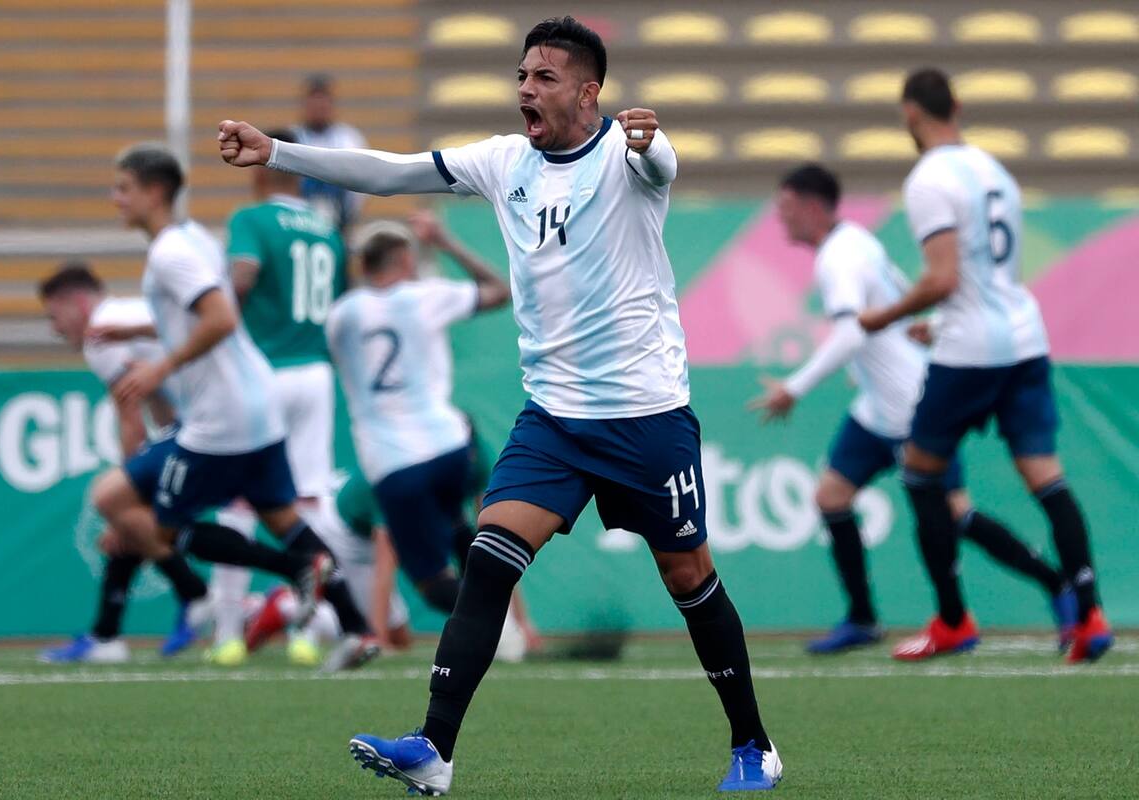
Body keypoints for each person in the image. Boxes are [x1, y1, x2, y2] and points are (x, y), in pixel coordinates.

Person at [219, 15, 780, 794]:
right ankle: (434, 749)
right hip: (552, 420)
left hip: (645, 416)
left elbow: (661, 165)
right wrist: (279, 152)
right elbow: (389, 172)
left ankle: (753, 744)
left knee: (688, 576)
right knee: (487, 560)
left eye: (544, 77)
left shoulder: (627, 155)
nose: (525, 88)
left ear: (587, 93)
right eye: (521, 75)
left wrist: (652, 144)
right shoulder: (503, 160)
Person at [749, 164, 1077, 655]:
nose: (780, 218)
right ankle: (863, 619)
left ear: (812, 207)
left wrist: (793, 388)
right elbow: (897, 302)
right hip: (877, 406)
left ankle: (1055, 586)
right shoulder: (857, 241)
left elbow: (852, 333)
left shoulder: (838, 257)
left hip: (909, 404)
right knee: (831, 496)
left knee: (955, 514)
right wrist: (884, 357)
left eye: (786, 207)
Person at [856, 68, 1113, 663]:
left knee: (921, 473)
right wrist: (939, 322)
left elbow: (943, 279)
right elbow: (988, 279)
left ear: (911, 114)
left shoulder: (928, 178)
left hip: (971, 352)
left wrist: (884, 316)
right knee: (1046, 477)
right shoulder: (995, 171)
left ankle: (952, 620)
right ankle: (1090, 614)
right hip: (1024, 340)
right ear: (959, 107)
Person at [95, 142, 379, 671]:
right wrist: (139, 330)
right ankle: (356, 629)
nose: (116, 199)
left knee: (161, 528)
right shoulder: (196, 240)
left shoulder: (171, 252)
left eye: (123, 188)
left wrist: (160, 366)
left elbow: (222, 318)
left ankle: (283, 577)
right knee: (285, 517)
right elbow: (202, 311)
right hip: (257, 401)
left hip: (220, 417)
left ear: (154, 192)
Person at [323, 217, 509, 618]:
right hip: (451, 448)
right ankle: (496, 610)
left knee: (432, 584)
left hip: (394, 462)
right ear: (406, 260)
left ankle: (493, 623)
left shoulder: (342, 316)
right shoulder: (426, 296)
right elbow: (499, 291)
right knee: (456, 523)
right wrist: (445, 241)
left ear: (363, 264)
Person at [35, 263, 211, 663]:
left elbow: (131, 421)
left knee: (119, 504)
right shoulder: (128, 312)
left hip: (216, 423)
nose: (55, 328)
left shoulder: (102, 333)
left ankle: (202, 595)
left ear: (78, 303)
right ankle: (108, 633)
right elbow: (164, 404)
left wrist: (129, 495)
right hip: (216, 418)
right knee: (137, 519)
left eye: (54, 315)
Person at [225, 127, 348, 666]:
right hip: (315, 373)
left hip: (263, 372)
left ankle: (227, 634)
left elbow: (243, 278)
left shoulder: (250, 221)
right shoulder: (328, 230)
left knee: (240, 501)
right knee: (310, 501)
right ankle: (308, 630)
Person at [293, 74, 368, 230]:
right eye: (314, 103)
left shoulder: (349, 138)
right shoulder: (292, 137)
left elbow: (360, 185)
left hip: (339, 217)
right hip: (298, 220)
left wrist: (348, 216)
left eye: (323, 103)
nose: (319, 109)